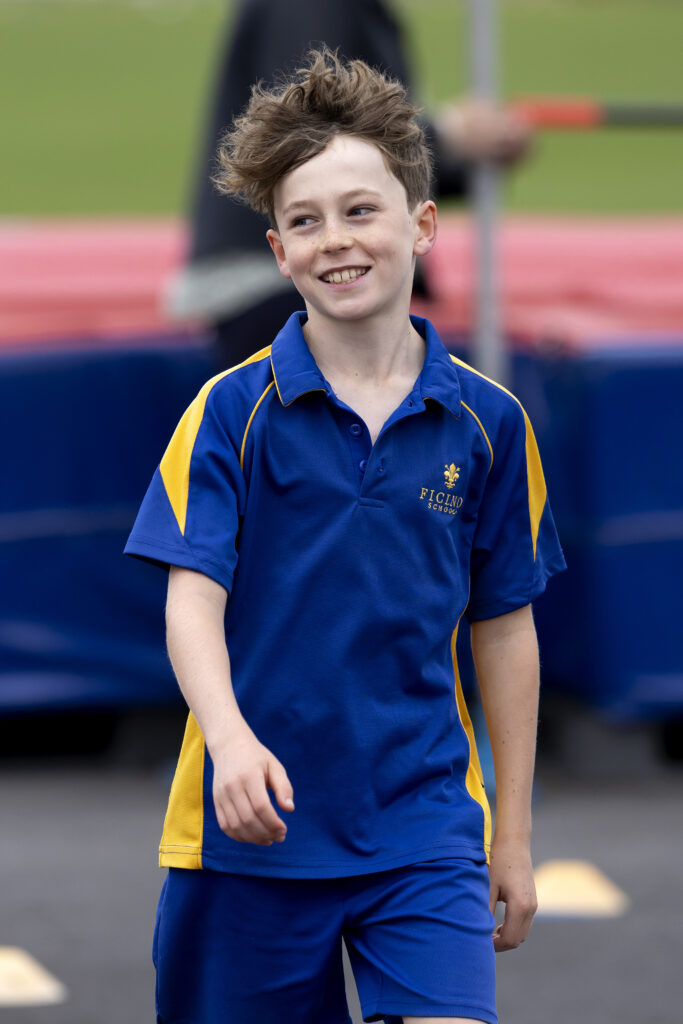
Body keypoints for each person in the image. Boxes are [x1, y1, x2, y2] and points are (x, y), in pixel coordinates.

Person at [126, 48, 565, 1024]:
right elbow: (190, 601)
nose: (335, 241)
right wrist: (230, 742)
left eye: (360, 211)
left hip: (423, 828)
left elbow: (504, 626)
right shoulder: (228, 413)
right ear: (278, 252)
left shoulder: (489, 424)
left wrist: (512, 835)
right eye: (304, 221)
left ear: (421, 224)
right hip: (249, 834)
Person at [167, 0, 532, 367]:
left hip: (277, 281)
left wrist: (466, 162)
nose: (336, 239)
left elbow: (373, 170)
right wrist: (449, 133)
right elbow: (305, 132)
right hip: (271, 285)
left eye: (361, 209)